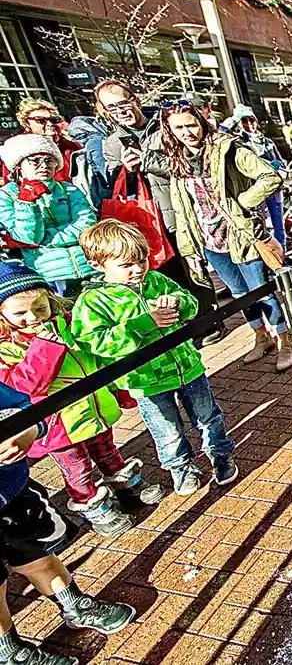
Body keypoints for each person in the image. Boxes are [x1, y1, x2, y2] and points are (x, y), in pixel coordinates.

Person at [71, 219, 239, 496]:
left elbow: (191, 303)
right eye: (126, 265)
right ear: (97, 265)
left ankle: (221, 454)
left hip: (187, 366)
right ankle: (181, 468)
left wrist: (179, 303)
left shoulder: (156, 279)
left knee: (209, 416)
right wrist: (144, 323)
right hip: (145, 380)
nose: (138, 269)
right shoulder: (92, 302)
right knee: (167, 431)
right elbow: (95, 342)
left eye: (141, 260)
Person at [0, 262, 163, 536]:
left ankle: (124, 485)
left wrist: (117, 388)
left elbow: (94, 358)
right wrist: (44, 348)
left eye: (40, 308)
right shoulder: (6, 348)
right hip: (58, 425)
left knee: (107, 449)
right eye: (20, 313)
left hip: (95, 407)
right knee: (77, 469)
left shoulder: (68, 322)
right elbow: (23, 389)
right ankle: (92, 505)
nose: (33, 317)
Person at [0, 381, 137, 665]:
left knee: (37, 554)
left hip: (12, 491)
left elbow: (29, 410)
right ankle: (8, 651)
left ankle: (73, 604)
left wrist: (28, 431)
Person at [159, 102, 292, 370]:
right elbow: (181, 211)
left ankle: (285, 340)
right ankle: (261, 336)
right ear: (170, 131)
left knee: (262, 292)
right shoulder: (176, 160)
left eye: (191, 124)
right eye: (179, 128)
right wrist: (189, 251)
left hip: (242, 236)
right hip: (210, 242)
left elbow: (270, 177)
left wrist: (242, 203)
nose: (187, 132)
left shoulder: (226, 148)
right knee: (238, 293)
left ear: (201, 122)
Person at [96, 80, 222, 346]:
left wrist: (148, 161)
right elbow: (114, 185)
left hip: (177, 213)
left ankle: (207, 321)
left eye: (123, 103)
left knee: (191, 268)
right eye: (112, 108)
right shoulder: (110, 143)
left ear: (135, 99)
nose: (120, 111)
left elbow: (187, 164)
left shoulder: (165, 125)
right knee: (161, 275)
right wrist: (126, 171)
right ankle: (177, 325)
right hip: (143, 221)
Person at [0, 134, 95, 296]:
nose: (44, 165)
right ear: (18, 165)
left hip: (89, 265)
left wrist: (46, 240)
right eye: (35, 160)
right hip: (49, 273)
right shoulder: (6, 196)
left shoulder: (69, 189)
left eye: (49, 160)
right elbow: (28, 238)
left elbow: (87, 224)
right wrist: (26, 203)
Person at [231, 104, 287, 249]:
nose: (249, 124)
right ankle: (268, 257)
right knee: (260, 226)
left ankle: (282, 254)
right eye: (244, 121)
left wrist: (279, 167)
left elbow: (281, 162)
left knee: (278, 224)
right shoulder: (239, 144)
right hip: (255, 190)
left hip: (274, 190)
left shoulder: (268, 142)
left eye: (251, 120)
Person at [10, 98, 81, 186]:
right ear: (26, 123)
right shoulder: (17, 150)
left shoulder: (72, 146)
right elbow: (12, 185)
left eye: (54, 120)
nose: (49, 124)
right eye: (40, 120)